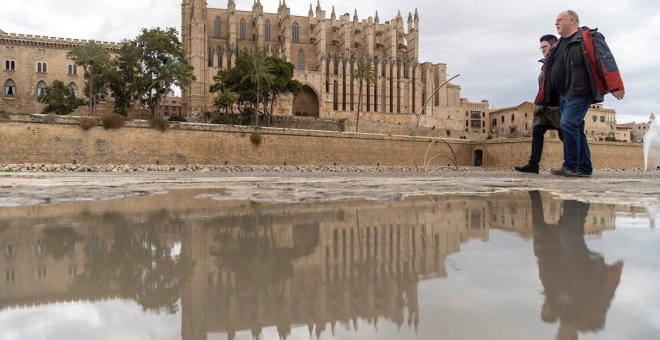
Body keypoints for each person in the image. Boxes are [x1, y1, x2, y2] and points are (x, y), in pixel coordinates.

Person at [535, 10, 625, 177]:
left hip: (581, 91)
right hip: (563, 93)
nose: (556, 23)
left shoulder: (588, 37)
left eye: (559, 20)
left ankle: (570, 166)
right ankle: (584, 167)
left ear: (572, 20)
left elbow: (606, 58)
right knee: (576, 127)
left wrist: (615, 85)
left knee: (568, 123)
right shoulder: (560, 43)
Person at [529, 191, 623, 339]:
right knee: (568, 232)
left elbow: (549, 282)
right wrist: (615, 273)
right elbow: (605, 296)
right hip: (584, 266)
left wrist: (544, 260)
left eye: (561, 337)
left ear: (558, 334)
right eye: (567, 337)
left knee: (571, 229)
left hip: (567, 260)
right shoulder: (587, 320)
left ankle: (581, 194)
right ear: (574, 336)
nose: (564, 334)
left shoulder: (559, 311)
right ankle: (577, 193)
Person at [515, 34, 561, 174]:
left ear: (554, 45)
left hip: (557, 106)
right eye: (541, 48)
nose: (542, 50)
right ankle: (533, 165)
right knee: (537, 132)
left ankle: (574, 164)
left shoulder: (559, 61)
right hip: (543, 107)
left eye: (545, 47)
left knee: (565, 135)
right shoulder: (545, 63)